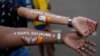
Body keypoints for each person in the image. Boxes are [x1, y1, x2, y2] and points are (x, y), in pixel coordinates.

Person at [0, 0, 97, 56]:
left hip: (20, 49)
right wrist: (61, 35)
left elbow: (24, 11)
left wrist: (71, 21)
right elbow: (6, 35)